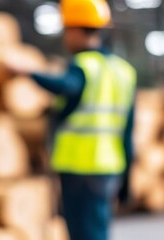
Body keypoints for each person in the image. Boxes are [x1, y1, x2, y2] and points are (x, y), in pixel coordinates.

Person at [20, 0, 137, 239]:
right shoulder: (124, 71)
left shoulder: (84, 66)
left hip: (80, 168)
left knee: (83, 233)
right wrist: (127, 178)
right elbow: (128, 129)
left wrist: (27, 71)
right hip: (110, 166)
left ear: (74, 30)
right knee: (99, 228)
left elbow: (66, 87)